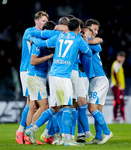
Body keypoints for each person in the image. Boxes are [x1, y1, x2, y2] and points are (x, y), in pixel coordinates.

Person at [25, 18, 92, 146]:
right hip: (63, 76)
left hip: (53, 75)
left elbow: (43, 43)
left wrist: (32, 40)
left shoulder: (59, 37)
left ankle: (31, 129)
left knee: (55, 107)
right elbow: (88, 53)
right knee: (67, 106)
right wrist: (85, 41)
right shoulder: (78, 40)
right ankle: (67, 139)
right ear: (79, 29)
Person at [16, 11, 49, 144]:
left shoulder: (44, 35)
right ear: (36, 20)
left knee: (33, 104)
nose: (44, 23)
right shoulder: (29, 31)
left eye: (46, 21)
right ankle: (21, 131)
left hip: (34, 71)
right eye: (43, 21)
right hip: (27, 70)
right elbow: (35, 41)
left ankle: (25, 133)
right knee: (31, 103)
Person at [80, 19, 113, 145]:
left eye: (97, 30)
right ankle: (98, 136)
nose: (96, 32)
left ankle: (107, 132)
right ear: (86, 29)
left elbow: (99, 44)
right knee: (98, 109)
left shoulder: (89, 43)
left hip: (98, 79)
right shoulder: (86, 42)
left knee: (91, 107)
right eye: (94, 29)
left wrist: (86, 40)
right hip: (97, 79)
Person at [111, 51, 126, 122]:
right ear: (118, 57)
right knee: (120, 102)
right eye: (122, 57)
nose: (123, 59)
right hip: (116, 86)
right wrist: (117, 83)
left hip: (119, 86)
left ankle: (116, 118)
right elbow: (114, 74)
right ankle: (121, 118)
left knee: (118, 102)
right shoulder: (116, 64)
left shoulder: (119, 64)